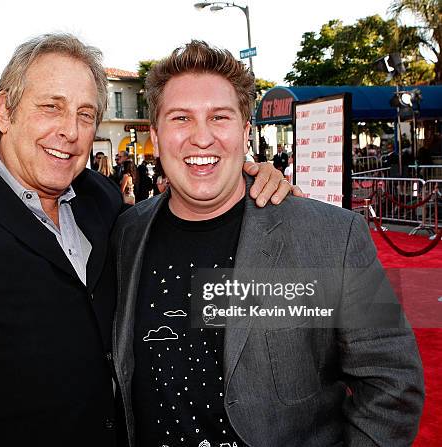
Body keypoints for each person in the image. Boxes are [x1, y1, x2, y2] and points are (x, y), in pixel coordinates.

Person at [0, 34, 294, 447]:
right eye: (52, 107)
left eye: (86, 114)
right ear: (5, 111)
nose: (71, 130)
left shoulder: (98, 199)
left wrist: (251, 180)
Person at [111, 40, 424, 447]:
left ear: (245, 132)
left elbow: (393, 385)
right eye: (181, 118)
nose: (201, 137)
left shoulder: (332, 237)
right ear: (156, 134)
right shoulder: (125, 233)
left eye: (219, 117)